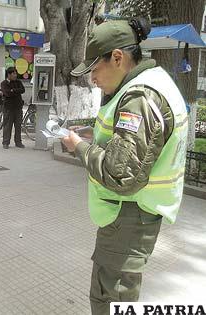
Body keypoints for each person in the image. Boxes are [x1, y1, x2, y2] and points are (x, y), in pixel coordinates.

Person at [62, 18, 188, 315]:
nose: (92, 78)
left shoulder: (140, 98)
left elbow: (121, 175)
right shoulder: (150, 82)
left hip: (130, 216)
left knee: (111, 297)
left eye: (95, 68)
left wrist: (78, 146)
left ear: (117, 57)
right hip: (133, 216)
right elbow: (138, 144)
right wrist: (99, 136)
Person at [0, 67, 25, 149]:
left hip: (18, 107)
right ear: (9, 74)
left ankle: (18, 142)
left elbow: (22, 90)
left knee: (18, 126)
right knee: (7, 126)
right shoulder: (4, 83)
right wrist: (14, 91)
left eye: (15, 73)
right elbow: (7, 93)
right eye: (13, 73)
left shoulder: (18, 82)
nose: (15, 75)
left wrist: (13, 90)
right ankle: (6, 142)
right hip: (8, 108)